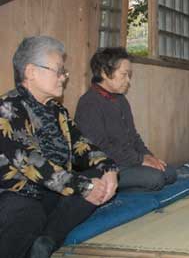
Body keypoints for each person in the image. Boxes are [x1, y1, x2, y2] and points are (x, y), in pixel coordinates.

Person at [0, 36, 118, 258]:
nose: (64, 77)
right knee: (29, 212)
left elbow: (82, 145)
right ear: (31, 72)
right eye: (59, 70)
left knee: (98, 178)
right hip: (18, 195)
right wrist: (84, 186)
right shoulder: (7, 108)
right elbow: (32, 163)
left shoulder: (58, 111)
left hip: (55, 191)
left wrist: (108, 167)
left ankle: (46, 241)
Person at [75, 47, 177, 192]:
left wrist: (149, 156)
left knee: (170, 173)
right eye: (124, 75)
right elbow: (99, 148)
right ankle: (112, 190)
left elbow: (133, 137)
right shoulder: (89, 103)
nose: (128, 81)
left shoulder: (120, 99)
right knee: (156, 179)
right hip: (106, 167)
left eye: (129, 75)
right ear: (104, 73)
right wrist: (140, 160)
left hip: (128, 161)